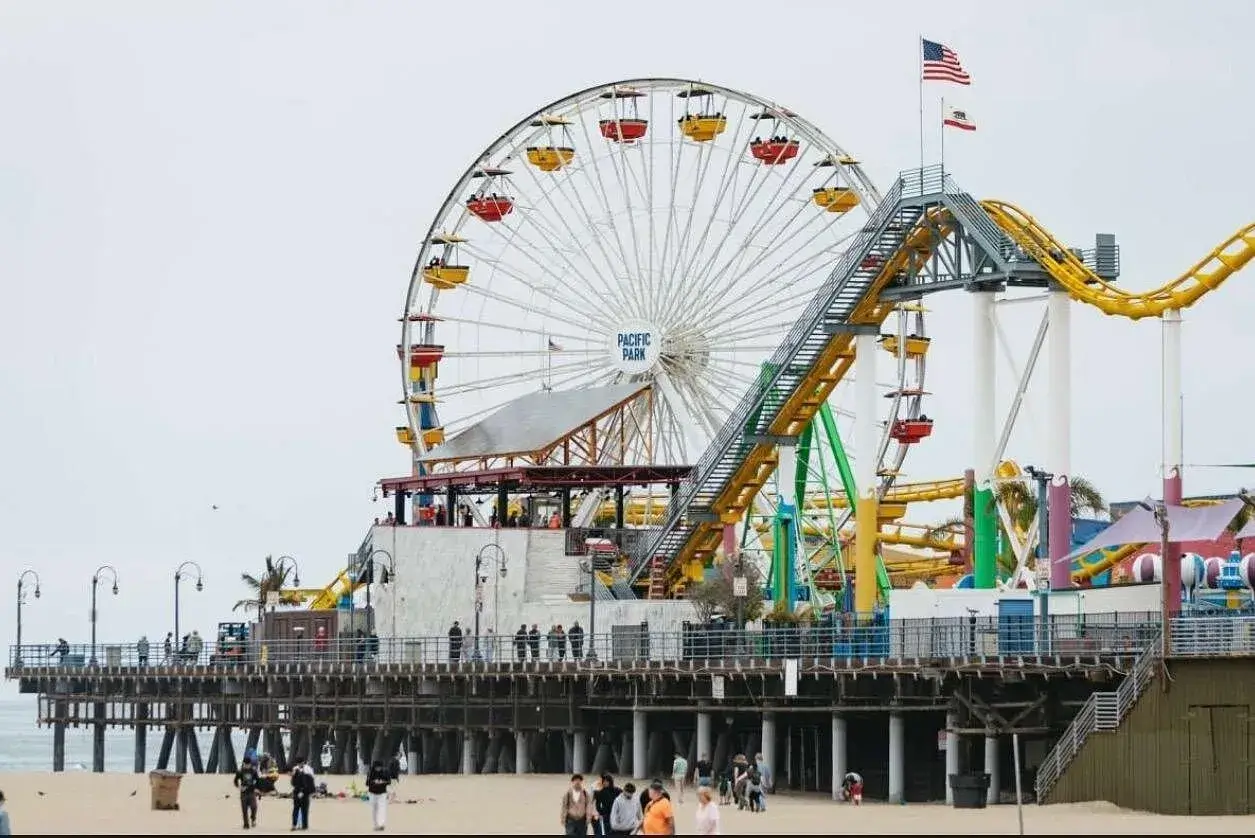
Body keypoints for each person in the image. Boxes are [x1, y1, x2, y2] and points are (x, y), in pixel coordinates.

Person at [559, 773, 592, 837]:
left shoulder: (585, 793)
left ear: (581, 782)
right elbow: (564, 806)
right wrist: (563, 818)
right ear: (572, 782)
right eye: (575, 780)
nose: (577, 782)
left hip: (582, 820)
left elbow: (588, 806)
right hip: (571, 820)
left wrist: (588, 817)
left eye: (579, 780)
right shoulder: (568, 793)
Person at [233, 756, 260, 829]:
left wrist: (256, 788)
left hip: (252, 792)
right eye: (246, 764)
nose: (247, 766)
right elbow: (235, 781)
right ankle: (246, 824)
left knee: (254, 807)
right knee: (244, 809)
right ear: (243, 764)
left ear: (250, 764)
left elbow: (258, 781)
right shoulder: (240, 771)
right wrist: (239, 787)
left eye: (249, 764)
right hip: (243, 793)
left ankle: (253, 818)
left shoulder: (253, 771)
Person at [366, 760, 391, 831]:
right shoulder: (370, 772)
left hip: (382, 793)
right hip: (372, 793)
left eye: (380, 767)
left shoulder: (385, 772)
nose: (378, 769)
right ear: (374, 767)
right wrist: (374, 782)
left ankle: (381, 824)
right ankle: (376, 825)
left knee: (382, 808)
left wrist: (382, 782)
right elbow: (367, 783)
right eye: (377, 767)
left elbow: (389, 782)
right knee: (374, 809)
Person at [290, 756, 314, 830]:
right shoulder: (298, 769)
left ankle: (302, 825)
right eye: (298, 763)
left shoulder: (307, 769)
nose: (299, 764)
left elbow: (310, 782)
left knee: (302, 810)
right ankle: (298, 825)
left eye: (299, 763)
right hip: (299, 791)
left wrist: (306, 791)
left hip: (303, 792)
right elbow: (293, 782)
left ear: (303, 762)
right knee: (298, 809)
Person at [592, 772, 618, 837]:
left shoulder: (617, 790)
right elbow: (597, 804)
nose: (605, 783)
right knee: (606, 832)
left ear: (610, 781)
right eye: (604, 781)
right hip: (606, 815)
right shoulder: (599, 792)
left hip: (616, 815)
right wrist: (601, 812)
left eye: (607, 781)